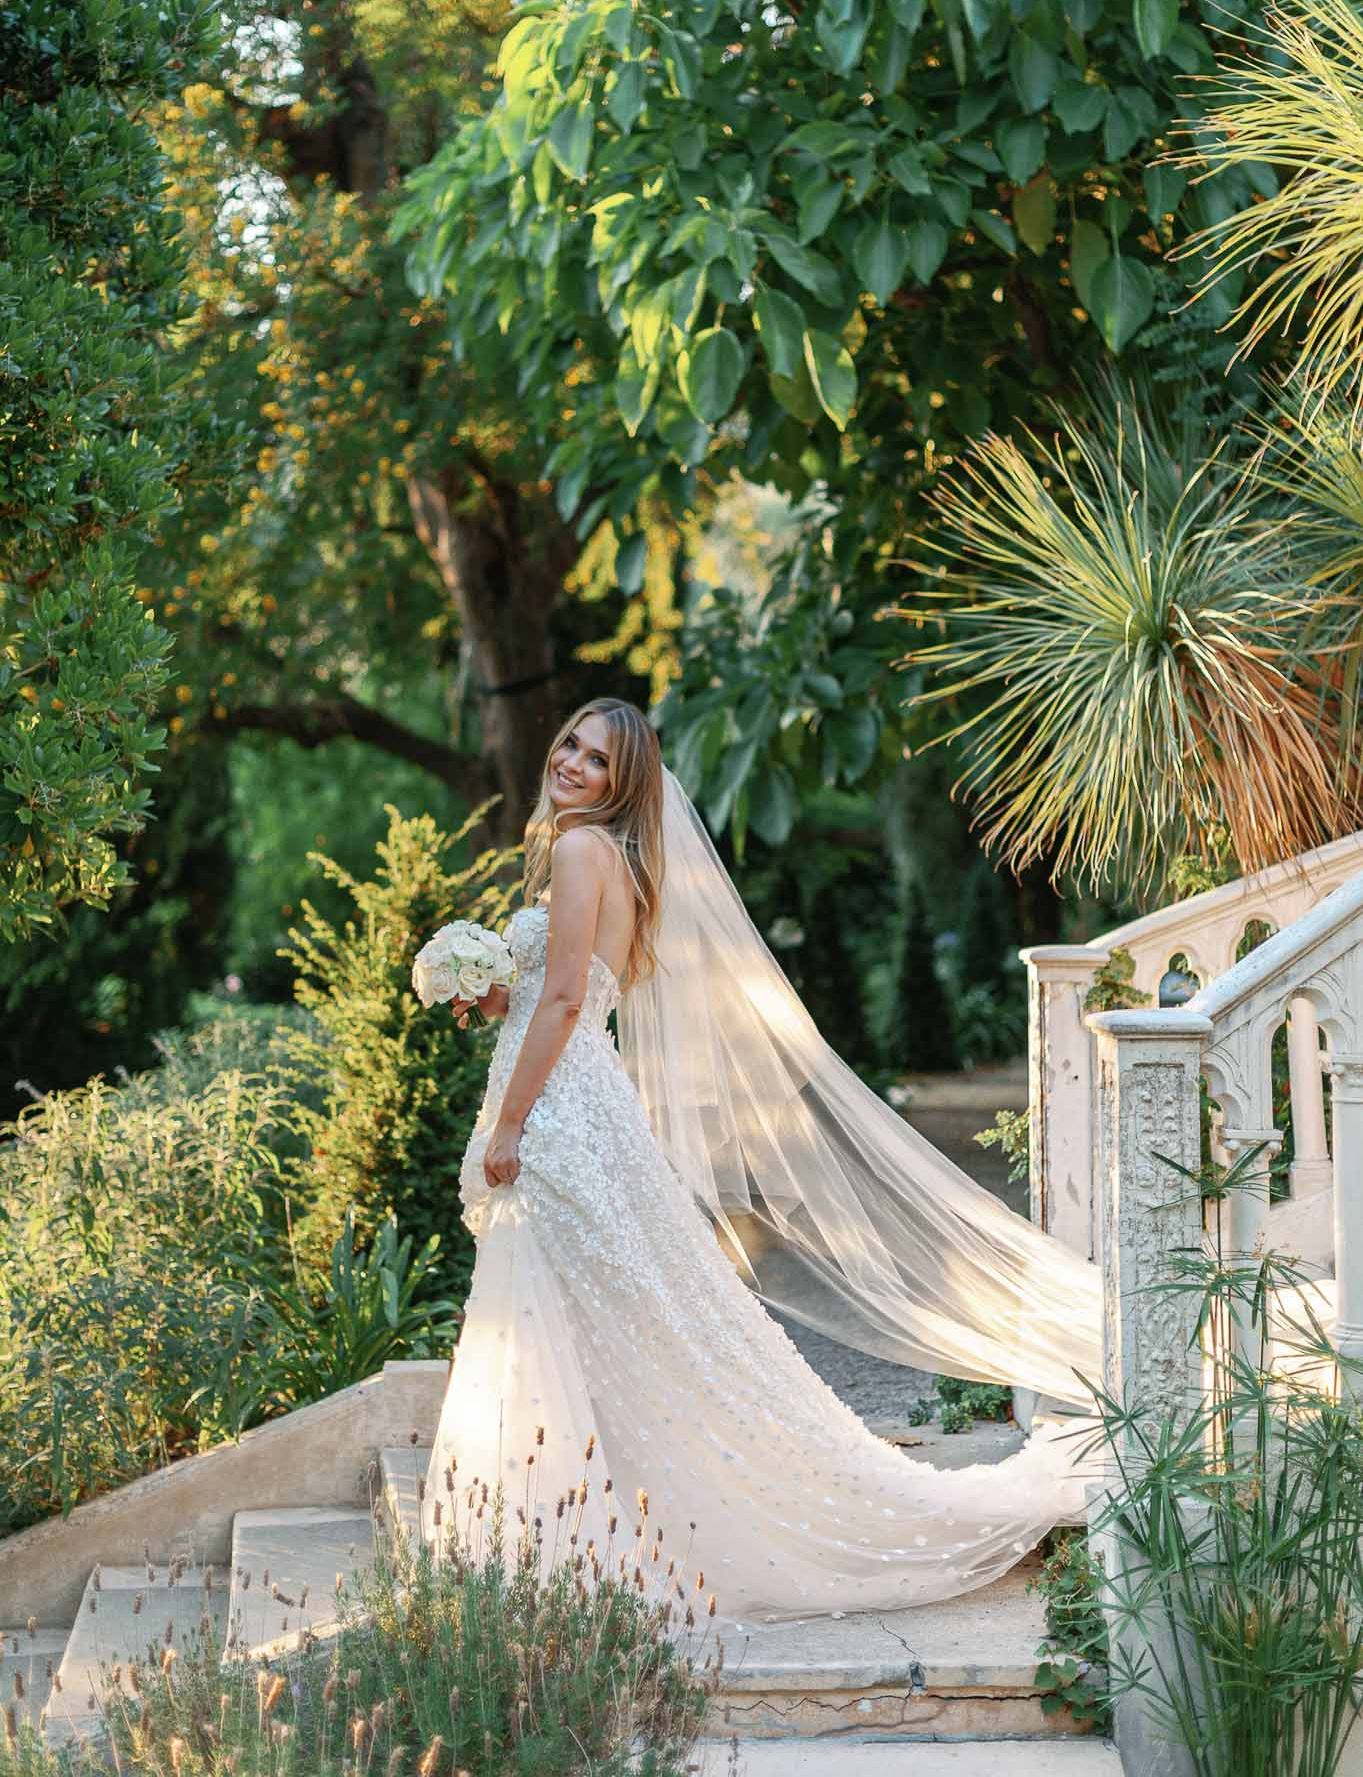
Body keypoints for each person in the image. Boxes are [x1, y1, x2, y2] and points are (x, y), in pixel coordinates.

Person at [420, 697, 1104, 1629]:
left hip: (560, 1111)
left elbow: (572, 999)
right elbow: (559, 991)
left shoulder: (582, 851)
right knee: (606, 1315)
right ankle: (565, 1525)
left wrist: (507, 1123)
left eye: (597, 758)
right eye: (570, 742)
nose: (572, 762)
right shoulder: (609, 857)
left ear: (625, 783)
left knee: (566, 1307)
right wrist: (495, 995)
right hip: (585, 1100)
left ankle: (553, 1537)